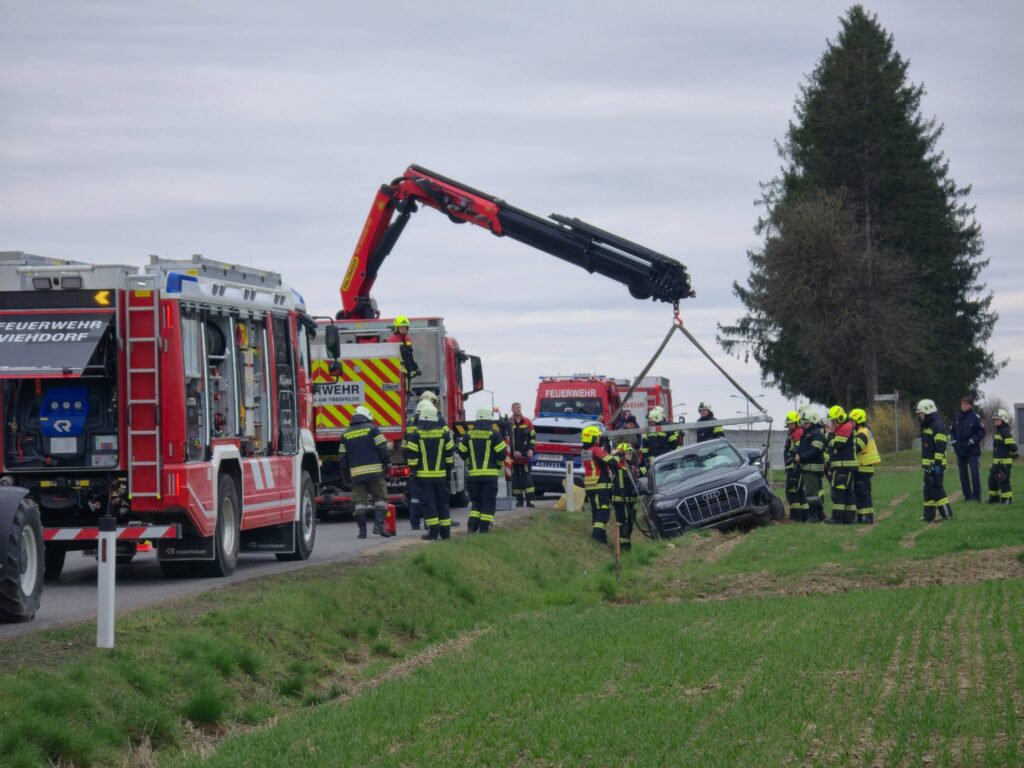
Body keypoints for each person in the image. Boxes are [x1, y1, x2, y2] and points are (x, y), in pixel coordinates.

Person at [338, 405, 393, 539]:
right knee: (381, 499)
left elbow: (342, 457)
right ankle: (378, 526)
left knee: (359, 504)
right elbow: (382, 448)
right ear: (367, 417)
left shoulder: (345, 434)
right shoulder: (373, 429)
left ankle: (362, 532)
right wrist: (387, 463)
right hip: (375, 474)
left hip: (356, 476)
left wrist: (346, 475)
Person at [406, 401, 455, 540]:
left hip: (423, 478)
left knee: (429, 504)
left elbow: (412, 457)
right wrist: (447, 471)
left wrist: (414, 472)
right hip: (441, 476)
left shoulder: (416, 434)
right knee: (442, 503)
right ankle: (446, 533)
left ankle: (433, 533)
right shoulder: (444, 433)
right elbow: (449, 454)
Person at [458, 407, 508, 532]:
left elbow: (461, 453)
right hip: (490, 476)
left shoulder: (468, 435)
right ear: (489, 420)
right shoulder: (495, 435)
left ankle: (471, 528)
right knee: (488, 502)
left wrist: (470, 461)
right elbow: (502, 454)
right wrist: (498, 465)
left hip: (474, 476)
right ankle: (484, 530)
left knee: (476, 503)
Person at [404, 391, 441, 530]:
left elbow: (404, 447)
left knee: (415, 497)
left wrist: (409, 465)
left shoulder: (410, 423)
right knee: (430, 497)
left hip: (415, 467)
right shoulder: (433, 421)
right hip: (430, 466)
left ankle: (415, 524)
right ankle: (429, 523)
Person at [916, 399, 953, 523]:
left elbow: (941, 446)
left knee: (937, 488)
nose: (919, 416)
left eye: (920, 413)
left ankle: (947, 515)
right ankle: (929, 516)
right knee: (927, 490)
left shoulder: (937, 425)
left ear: (927, 411)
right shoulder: (927, 425)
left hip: (936, 465)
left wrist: (936, 465)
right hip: (928, 465)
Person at [581, 425, 617, 543]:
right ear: (593, 438)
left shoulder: (585, 452)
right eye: (597, 437)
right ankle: (596, 535)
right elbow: (611, 461)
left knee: (596, 511)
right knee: (604, 510)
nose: (599, 439)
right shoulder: (596, 450)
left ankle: (600, 538)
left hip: (589, 485)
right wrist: (618, 455)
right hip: (600, 485)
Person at [825, 406, 858, 524]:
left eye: (834, 421)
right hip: (845, 466)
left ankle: (837, 518)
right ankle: (849, 518)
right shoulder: (845, 427)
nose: (832, 424)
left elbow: (837, 445)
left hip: (843, 466)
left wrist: (829, 435)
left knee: (837, 492)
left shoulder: (846, 427)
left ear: (840, 418)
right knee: (847, 492)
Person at [950, 395, 986, 502]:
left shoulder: (975, 417)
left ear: (971, 405)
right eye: (962, 404)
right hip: (960, 450)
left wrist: (971, 442)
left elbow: (982, 431)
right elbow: (952, 432)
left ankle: (977, 497)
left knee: (975, 474)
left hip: (972, 451)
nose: (963, 406)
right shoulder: (956, 416)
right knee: (963, 475)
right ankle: (967, 496)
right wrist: (954, 443)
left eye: (966, 404)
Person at [794, 408, 826, 522]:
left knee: (811, 494)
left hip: (812, 469)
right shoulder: (808, 433)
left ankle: (813, 517)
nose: (804, 425)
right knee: (813, 494)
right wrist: (796, 453)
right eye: (803, 423)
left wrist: (801, 458)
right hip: (808, 468)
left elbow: (815, 451)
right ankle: (821, 515)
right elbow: (804, 447)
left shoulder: (817, 434)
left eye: (806, 423)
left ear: (813, 422)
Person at [850, 408, 881, 523]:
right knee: (860, 491)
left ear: (858, 421)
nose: (851, 424)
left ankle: (868, 516)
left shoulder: (862, 433)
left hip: (863, 467)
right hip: (865, 467)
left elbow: (857, 448)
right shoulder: (864, 431)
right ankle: (861, 516)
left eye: (852, 421)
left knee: (862, 492)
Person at [610, 442, 642, 551]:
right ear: (622, 453)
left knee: (629, 524)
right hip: (620, 500)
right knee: (623, 523)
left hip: (630, 500)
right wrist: (618, 453)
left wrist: (647, 467)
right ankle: (624, 548)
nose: (630, 454)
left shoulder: (630, 466)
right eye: (627, 452)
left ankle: (627, 546)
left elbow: (638, 474)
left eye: (630, 452)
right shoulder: (617, 465)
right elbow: (612, 458)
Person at [508, 402, 536, 507]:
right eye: (516, 408)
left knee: (527, 479)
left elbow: (532, 438)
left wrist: (531, 449)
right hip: (513, 457)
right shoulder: (509, 422)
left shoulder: (528, 422)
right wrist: (512, 452)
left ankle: (530, 500)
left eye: (519, 407)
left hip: (525, 456)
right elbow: (505, 439)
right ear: (512, 409)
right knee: (515, 480)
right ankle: (518, 501)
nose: (518, 409)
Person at [988, 408, 1018, 504]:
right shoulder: (999, 431)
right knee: (992, 481)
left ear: (1004, 420)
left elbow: (1013, 447)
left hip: (1003, 464)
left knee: (1004, 482)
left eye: (998, 419)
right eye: (995, 419)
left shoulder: (1005, 432)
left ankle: (1007, 500)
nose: (996, 421)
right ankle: (994, 499)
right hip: (996, 465)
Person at [783, 411, 808, 522]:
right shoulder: (794, 432)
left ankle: (796, 516)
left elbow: (798, 448)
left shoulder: (798, 432)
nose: (789, 425)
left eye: (791, 423)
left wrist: (791, 457)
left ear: (797, 422)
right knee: (799, 491)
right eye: (788, 423)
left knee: (792, 491)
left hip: (794, 468)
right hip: (793, 467)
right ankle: (804, 516)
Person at [387, 315, 421, 393]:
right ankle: (403, 392)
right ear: (396, 328)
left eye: (405, 327)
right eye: (401, 327)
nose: (403, 329)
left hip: (407, 363)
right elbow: (390, 356)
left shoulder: (407, 338)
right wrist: (401, 363)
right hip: (397, 365)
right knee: (404, 377)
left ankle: (408, 392)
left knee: (409, 377)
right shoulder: (392, 339)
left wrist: (415, 367)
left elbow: (410, 354)